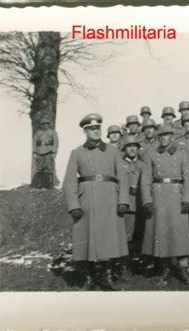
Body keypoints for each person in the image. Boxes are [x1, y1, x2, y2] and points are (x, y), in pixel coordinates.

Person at [63, 113, 130, 291]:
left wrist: (123, 200)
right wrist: (74, 205)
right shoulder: (77, 153)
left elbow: (123, 177)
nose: (95, 132)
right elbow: (69, 182)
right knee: (88, 237)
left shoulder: (114, 151)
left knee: (109, 237)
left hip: (110, 198)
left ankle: (107, 278)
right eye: (91, 129)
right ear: (85, 131)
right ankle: (90, 278)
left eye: (98, 128)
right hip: (87, 200)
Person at [141, 124, 189, 285]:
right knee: (161, 232)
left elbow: (188, 179)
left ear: (172, 137)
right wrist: (147, 201)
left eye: (166, 135)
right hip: (158, 196)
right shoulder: (151, 155)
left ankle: (182, 270)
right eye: (161, 136)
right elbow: (145, 180)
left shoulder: (181, 154)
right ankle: (164, 268)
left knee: (179, 232)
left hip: (176, 196)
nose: (163, 138)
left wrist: (187, 199)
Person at [119, 135, 145, 277]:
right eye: (129, 146)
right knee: (127, 236)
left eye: (135, 146)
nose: (132, 149)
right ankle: (124, 265)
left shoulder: (143, 165)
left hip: (141, 204)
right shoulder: (119, 165)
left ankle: (140, 264)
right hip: (128, 204)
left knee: (140, 234)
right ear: (124, 149)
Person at [32, 118, 59, 189]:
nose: (45, 125)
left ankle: (50, 185)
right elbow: (34, 142)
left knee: (50, 168)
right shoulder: (38, 133)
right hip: (39, 151)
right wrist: (34, 152)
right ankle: (38, 185)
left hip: (49, 151)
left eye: (47, 124)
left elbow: (56, 143)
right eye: (43, 124)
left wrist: (54, 152)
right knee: (39, 168)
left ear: (49, 125)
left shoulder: (53, 132)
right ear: (41, 125)